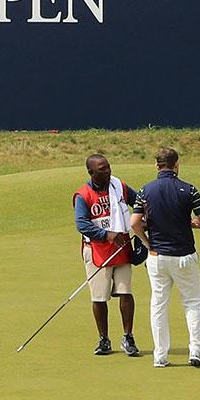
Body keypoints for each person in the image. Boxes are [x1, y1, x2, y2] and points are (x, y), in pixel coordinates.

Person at [128, 145, 200, 368]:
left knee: (159, 305)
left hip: (157, 257)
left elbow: (135, 223)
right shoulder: (189, 189)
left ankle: (160, 356)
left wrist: (147, 244)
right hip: (184, 256)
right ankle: (195, 351)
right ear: (177, 165)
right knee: (192, 302)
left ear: (157, 165)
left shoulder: (145, 191)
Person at [72, 153, 142, 357]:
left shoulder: (119, 186)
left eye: (108, 167)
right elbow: (82, 224)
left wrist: (141, 223)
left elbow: (139, 203)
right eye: (102, 169)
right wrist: (107, 235)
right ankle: (104, 339)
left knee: (125, 292)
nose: (108, 171)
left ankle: (128, 337)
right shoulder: (83, 195)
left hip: (122, 247)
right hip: (97, 251)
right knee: (99, 297)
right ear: (91, 172)